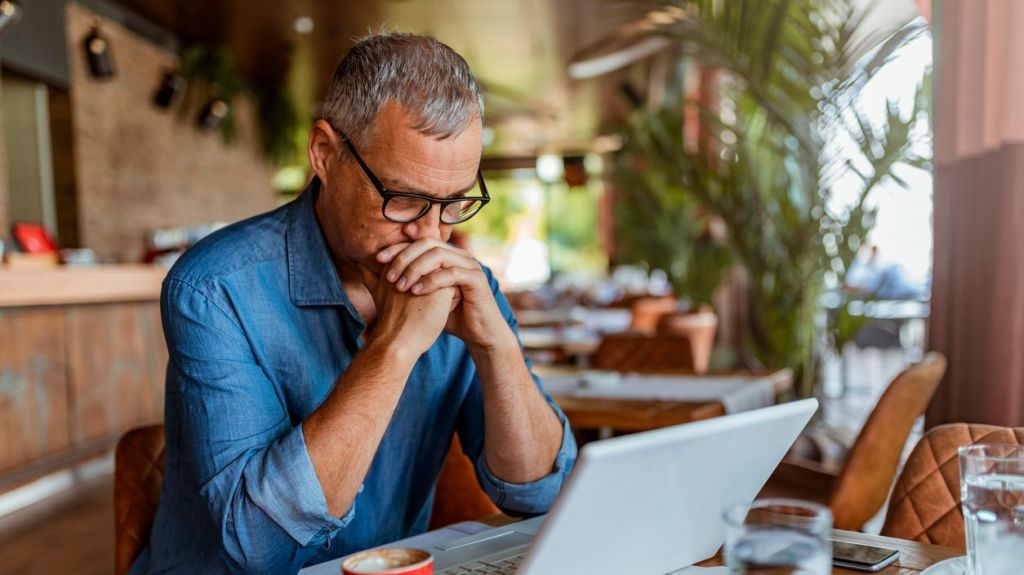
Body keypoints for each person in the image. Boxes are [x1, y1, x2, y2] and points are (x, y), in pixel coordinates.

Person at [131, 33, 576, 574]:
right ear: (325, 154)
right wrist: (395, 346)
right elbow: (259, 548)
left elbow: (538, 495)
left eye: (455, 203)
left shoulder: (463, 285)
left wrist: (496, 345)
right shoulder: (214, 288)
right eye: (404, 198)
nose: (430, 235)